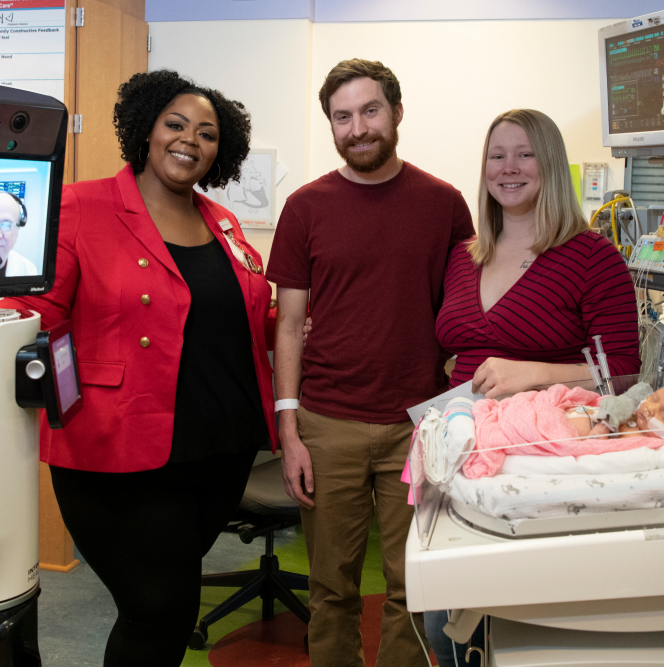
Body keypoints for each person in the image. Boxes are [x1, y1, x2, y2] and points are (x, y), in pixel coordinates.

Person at [0, 69, 275, 667]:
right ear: (145, 130)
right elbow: (31, 312)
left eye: (206, 133)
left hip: (220, 450)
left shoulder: (221, 223)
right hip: (118, 452)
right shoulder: (80, 207)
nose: (188, 141)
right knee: (159, 609)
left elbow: (253, 318)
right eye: (175, 124)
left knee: (167, 608)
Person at [267, 58, 474, 667]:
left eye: (370, 110)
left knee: (416, 587)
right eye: (342, 116)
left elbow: (467, 309)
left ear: (398, 113)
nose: (358, 127)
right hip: (328, 424)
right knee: (332, 587)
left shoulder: (445, 205)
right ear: (332, 125)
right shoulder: (306, 208)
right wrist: (289, 425)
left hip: (419, 425)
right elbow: (289, 323)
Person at [424, 109, 641, 665]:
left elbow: (624, 371)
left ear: (549, 165)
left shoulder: (593, 258)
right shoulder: (462, 256)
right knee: (446, 620)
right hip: (461, 451)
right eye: (497, 155)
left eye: (524, 154)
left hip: (540, 464)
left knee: (521, 622)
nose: (508, 168)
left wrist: (537, 372)